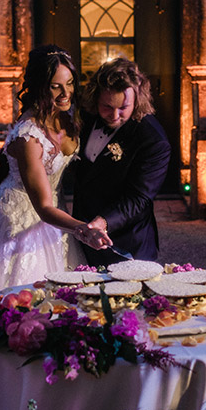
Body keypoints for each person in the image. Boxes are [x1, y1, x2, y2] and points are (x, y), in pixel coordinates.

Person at [0, 45, 110, 293]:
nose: (65, 93)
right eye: (55, 86)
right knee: (23, 297)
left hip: (54, 210)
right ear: (39, 87)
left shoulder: (67, 114)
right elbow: (43, 207)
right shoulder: (29, 138)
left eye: (69, 83)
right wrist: (82, 229)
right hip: (20, 218)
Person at [72, 57, 171, 265]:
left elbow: (138, 199)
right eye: (107, 106)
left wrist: (103, 221)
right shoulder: (86, 118)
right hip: (82, 236)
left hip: (127, 244)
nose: (114, 116)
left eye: (123, 107)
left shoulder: (153, 139)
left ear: (137, 100)